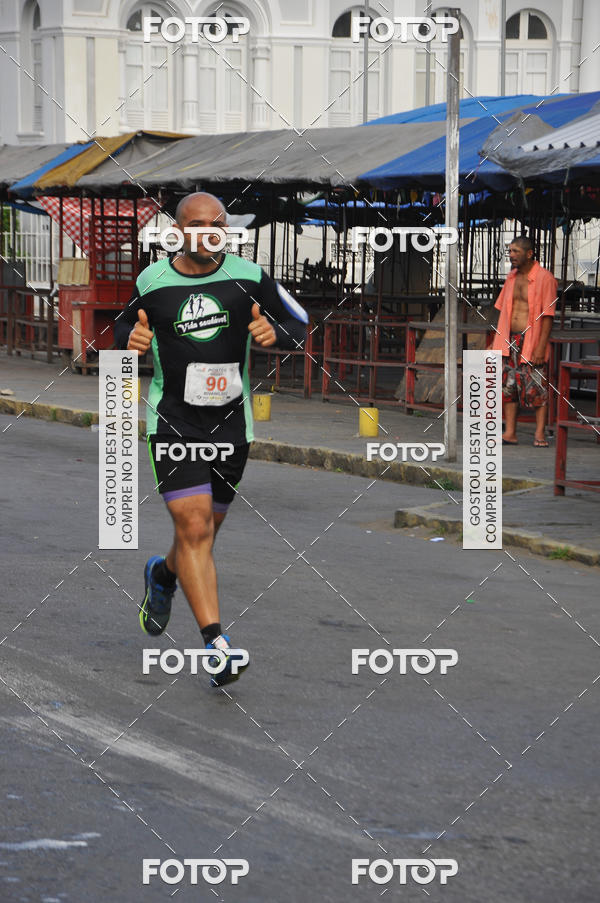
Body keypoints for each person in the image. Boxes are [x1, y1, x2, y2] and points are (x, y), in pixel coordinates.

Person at [114, 192, 307, 686]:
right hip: (173, 422)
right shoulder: (152, 281)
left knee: (200, 535)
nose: (207, 233)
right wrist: (129, 342)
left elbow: (299, 321)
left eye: (216, 225)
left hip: (232, 427)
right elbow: (121, 328)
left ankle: (163, 575)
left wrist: (276, 335)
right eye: (196, 225)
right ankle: (216, 645)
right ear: (177, 232)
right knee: (195, 528)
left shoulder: (249, 276)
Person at [491, 235, 557, 447]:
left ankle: (539, 434)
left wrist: (540, 347)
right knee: (508, 387)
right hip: (509, 338)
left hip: (532, 339)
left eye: (515, 251)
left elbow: (548, 316)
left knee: (536, 387)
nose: (511, 255)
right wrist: (495, 341)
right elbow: (503, 311)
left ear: (529, 254)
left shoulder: (545, 278)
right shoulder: (511, 277)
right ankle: (510, 433)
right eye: (510, 251)